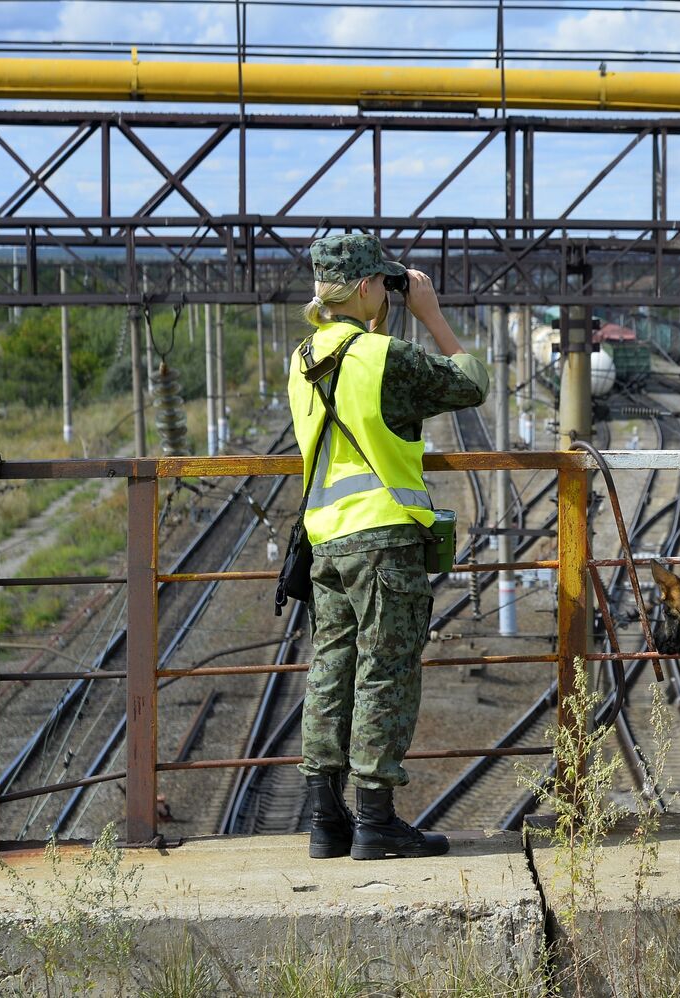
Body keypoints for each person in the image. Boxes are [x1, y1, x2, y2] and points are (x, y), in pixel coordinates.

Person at [289, 234, 488, 861]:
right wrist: (429, 314)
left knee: (330, 670)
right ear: (372, 288)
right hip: (383, 537)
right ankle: (376, 821)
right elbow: (469, 382)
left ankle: (327, 821)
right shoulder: (383, 357)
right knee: (385, 672)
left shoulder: (302, 358)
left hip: (324, 537)